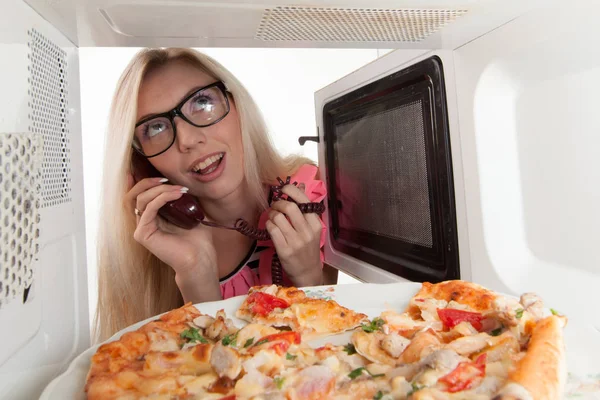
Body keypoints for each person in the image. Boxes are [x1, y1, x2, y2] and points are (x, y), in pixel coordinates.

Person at [93, 48, 331, 342]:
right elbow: (208, 382)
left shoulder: (312, 193)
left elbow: (331, 354)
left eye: (202, 102)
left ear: (236, 104)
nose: (189, 140)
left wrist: (309, 277)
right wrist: (197, 277)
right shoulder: (156, 250)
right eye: (155, 128)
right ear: (141, 163)